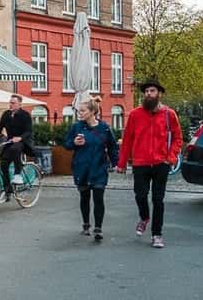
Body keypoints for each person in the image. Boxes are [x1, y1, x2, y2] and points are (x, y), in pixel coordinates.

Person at [116, 79, 182, 249]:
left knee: (158, 200)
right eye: (146, 92)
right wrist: (122, 163)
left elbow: (177, 138)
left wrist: (171, 157)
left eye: (152, 91)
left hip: (161, 162)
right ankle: (144, 217)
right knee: (140, 194)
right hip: (141, 162)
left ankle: (156, 234)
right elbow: (128, 140)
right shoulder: (135, 115)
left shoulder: (169, 114)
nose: (148, 94)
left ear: (159, 94)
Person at [63, 97, 119, 241]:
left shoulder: (104, 127)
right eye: (78, 110)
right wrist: (74, 143)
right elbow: (67, 144)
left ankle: (98, 228)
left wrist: (117, 163)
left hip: (99, 167)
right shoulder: (77, 127)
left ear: (93, 111)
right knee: (85, 197)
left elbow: (112, 147)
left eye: (82, 110)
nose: (79, 113)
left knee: (99, 198)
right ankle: (86, 224)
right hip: (81, 167)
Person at [0, 94, 33, 201]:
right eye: (10, 102)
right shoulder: (6, 114)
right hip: (10, 141)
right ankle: (8, 191)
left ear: (19, 104)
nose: (11, 104)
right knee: (3, 165)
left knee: (15, 149)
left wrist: (20, 138)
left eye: (13, 103)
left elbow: (29, 131)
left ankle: (18, 174)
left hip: (23, 142)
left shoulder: (25, 115)